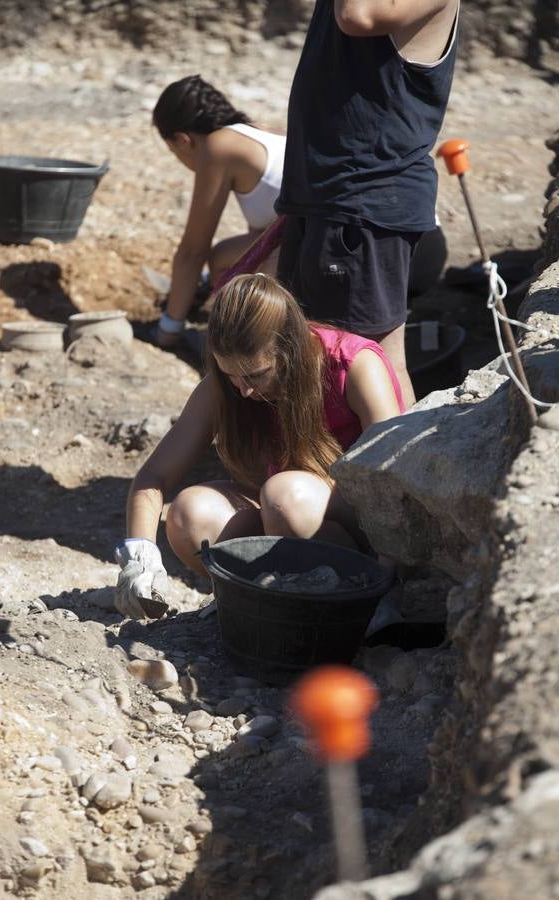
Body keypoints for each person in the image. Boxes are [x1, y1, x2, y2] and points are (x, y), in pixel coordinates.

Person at [114, 273, 404, 618]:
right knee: (188, 514)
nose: (244, 391)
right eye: (232, 376)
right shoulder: (229, 384)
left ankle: (349, 598)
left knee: (284, 496)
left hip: (371, 525)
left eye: (255, 375)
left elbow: (391, 479)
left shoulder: (352, 365)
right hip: (288, 516)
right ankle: (271, 601)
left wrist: (388, 582)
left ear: (290, 348)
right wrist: (140, 556)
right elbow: (154, 476)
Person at [275, 0, 460, 407]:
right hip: (326, 196)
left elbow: (359, 17)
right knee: (310, 354)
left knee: (372, 363)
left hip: (363, 202)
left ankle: (385, 467)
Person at [151, 74, 286, 348]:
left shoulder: (219, 147)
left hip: (315, 242)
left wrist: (168, 330)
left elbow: (193, 249)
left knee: (222, 258)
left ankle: (240, 344)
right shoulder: (259, 133)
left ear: (182, 140)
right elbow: (266, 232)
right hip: (331, 237)